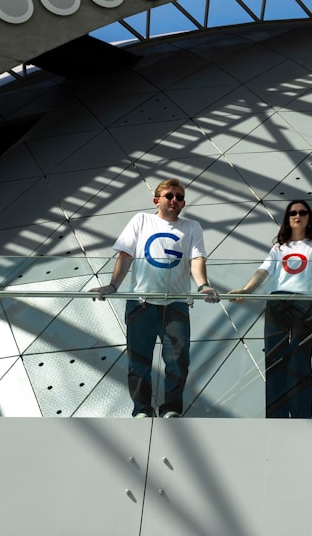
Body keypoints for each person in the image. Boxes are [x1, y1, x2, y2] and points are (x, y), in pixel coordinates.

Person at [91, 178, 219, 418]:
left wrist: (203, 285)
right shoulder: (142, 220)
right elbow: (126, 254)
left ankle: (171, 409)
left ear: (183, 203)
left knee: (178, 360)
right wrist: (113, 285)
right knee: (139, 359)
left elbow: (197, 259)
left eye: (179, 197)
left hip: (176, 304)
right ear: (156, 200)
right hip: (142, 302)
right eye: (169, 195)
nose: (174, 200)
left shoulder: (192, 227)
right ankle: (142, 410)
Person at [228, 200, 312, 418]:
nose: (297, 216)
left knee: (300, 356)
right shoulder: (279, 248)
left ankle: (300, 414)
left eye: (302, 212)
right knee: (275, 356)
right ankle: (276, 414)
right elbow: (264, 271)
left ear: (309, 217)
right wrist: (247, 289)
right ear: (287, 219)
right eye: (292, 213)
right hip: (277, 301)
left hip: (305, 302)